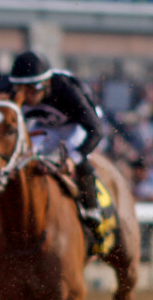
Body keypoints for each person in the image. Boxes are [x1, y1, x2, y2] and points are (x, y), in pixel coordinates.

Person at [8, 51, 107, 239]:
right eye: (21, 90)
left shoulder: (67, 91)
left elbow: (96, 130)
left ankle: (92, 211)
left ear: (46, 83)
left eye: (32, 90)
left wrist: (74, 158)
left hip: (79, 124)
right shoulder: (14, 92)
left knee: (73, 155)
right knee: (22, 159)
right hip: (47, 126)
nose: (26, 96)